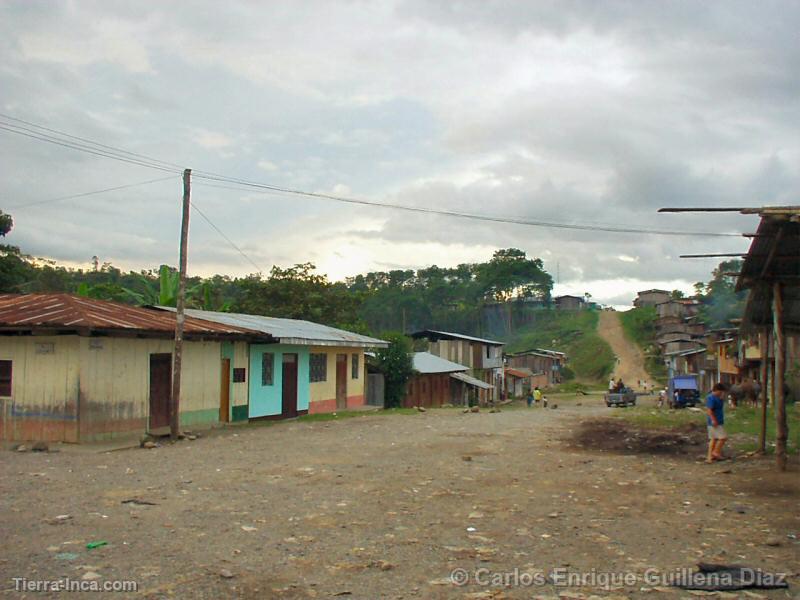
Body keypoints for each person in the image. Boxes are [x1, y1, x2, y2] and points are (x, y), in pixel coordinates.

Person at [706, 383, 728, 463]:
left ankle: (709, 457)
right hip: (715, 421)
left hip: (717, 420)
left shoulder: (718, 398)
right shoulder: (711, 398)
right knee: (723, 437)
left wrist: (721, 398)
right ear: (717, 390)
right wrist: (713, 420)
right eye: (721, 392)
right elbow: (709, 410)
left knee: (713, 439)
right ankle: (716, 452)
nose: (722, 393)